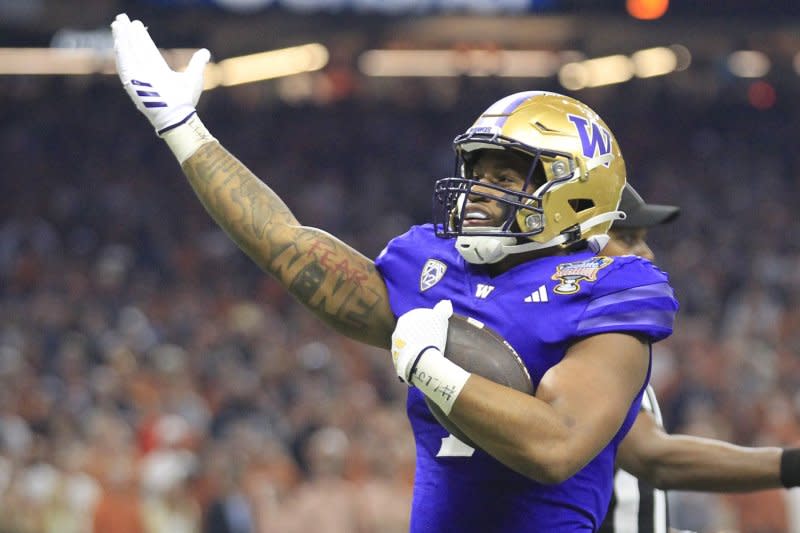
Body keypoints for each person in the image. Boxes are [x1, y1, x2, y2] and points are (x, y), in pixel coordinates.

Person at [110, 14, 681, 531]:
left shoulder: (615, 287)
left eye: (506, 178)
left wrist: (432, 371)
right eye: (475, 171)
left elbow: (556, 446)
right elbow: (288, 246)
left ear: (576, 193)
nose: (477, 193)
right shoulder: (429, 263)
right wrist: (183, 129)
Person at [599, 185, 800, 533]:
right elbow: (656, 458)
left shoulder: (604, 340)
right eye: (628, 238)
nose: (646, 253)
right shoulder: (560, 349)